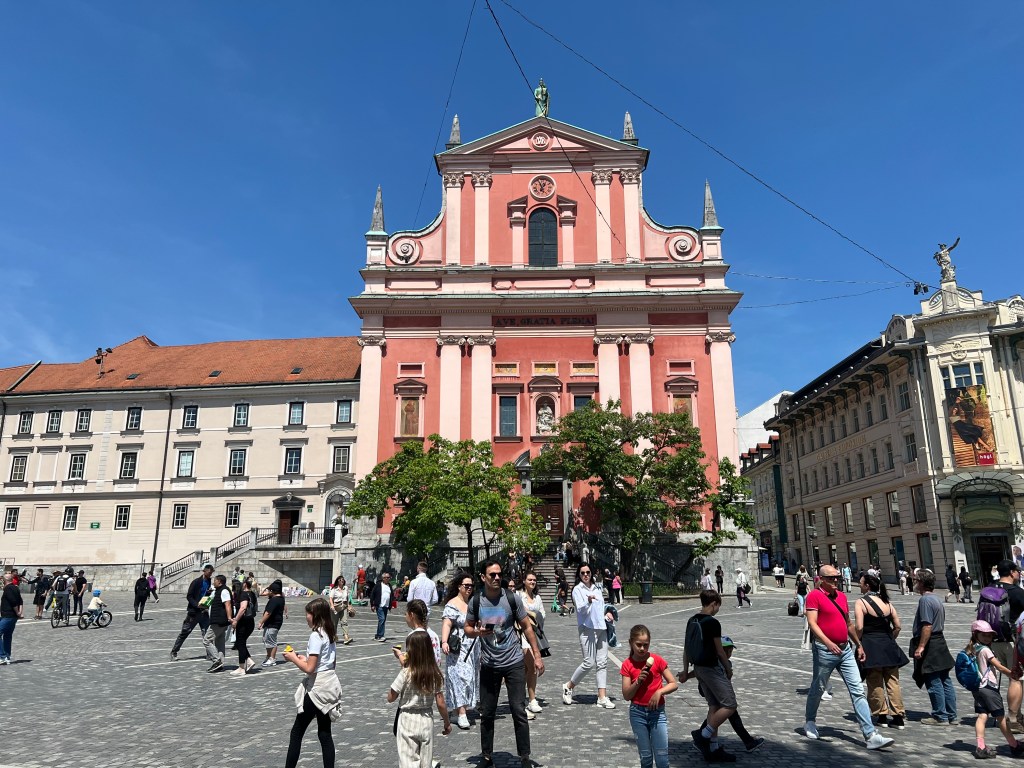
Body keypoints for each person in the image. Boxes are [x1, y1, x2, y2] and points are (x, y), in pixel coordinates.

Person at [803, 565, 894, 750]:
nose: (836, 580)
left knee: (857, 690)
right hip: (825, 650)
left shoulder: (841, 597)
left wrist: (858, 645)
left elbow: (848, 623)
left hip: (845, 650)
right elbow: (812, 623)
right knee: (818, 688)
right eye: (831, 578)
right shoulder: (814, 596)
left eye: (837, 577)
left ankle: (870, 735)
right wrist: (828, 642)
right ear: (821, 579)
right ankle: (810, 721)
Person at [465, 557, 544, 768]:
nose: (497, 577)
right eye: (492, 574)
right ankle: (486, 756)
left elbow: (527, 627)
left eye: (499, 574)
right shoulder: (476, 601)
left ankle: (525, 757)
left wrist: (537, 655)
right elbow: (467, 628)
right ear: (483, 577)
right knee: (487, 713)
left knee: (518, 710)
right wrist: (477, 632)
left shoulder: (511, 599)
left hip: (513, 662)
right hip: (489, 664)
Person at [681, 589, 741, 761]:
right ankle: (703, 735)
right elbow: (720, 651)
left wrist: (685, 671)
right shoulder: (713, 623)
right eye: (718, 606)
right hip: (711, 669)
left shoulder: (692, 620)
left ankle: (713, 749)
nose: (717, 610)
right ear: (714, 604)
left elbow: (686, 649)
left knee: (714, 706)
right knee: (729, 704)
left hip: (699, 668)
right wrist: (728, 669)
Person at [283, 598, 342, 768]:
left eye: (308, 614)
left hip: (317, 688)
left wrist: (293, 658)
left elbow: (310, 669)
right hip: (329, 685)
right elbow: (329, 663)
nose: (306, 617)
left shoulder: (316, 635)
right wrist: (305, 658)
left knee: (297, 732)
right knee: (324, 734)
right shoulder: (329, 633)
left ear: (315, 615)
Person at [388, 630, 452, 768]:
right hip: (426, 719)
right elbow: (441, 703)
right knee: (426, 761)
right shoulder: (434, 674)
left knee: (408, 761)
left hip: (407, 719)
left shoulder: (406, 673)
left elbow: (391, 697)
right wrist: (447, 722)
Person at [854, 570, 908, 729]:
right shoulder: (887, 602)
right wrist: (891, 638)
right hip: (888, 646)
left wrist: (858, 643)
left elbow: (859, 627)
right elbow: (897, 626)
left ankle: (882, 715)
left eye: (861, 583)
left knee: (874, 681)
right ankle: (898, 717)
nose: (859, 585)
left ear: (867, 586)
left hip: (871, 646)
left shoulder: (861, 602)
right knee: (893, 682)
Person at [620, 623, 678, 768]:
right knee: (645, 757)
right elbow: (626, 695)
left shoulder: (657, 660)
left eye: (646, 645)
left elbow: (673, 683)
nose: (642, 648)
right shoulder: (627, 664)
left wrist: (660, 691)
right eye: (638, 644)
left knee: (662, 758)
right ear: (631, 643)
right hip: (637, 713)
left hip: (657, 713)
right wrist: (638, 681)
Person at [965, 619, 1024, 759]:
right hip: (989, 688)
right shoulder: (985, 650)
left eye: (989, 635)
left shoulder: (972, 649)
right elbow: (999, 666)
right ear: (975, 635)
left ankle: (980, 746)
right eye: (984, 635)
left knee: (982, 716)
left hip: (978, 687)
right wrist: (1012, 674)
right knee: (1001, 718)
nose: (987, 638)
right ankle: (1014, 745)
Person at [563, 562, 616, 708]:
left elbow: (601, 606)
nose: (585, 575)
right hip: (587, 629)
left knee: (602, 662)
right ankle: (569, 686)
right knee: (589, 662)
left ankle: (602, 697)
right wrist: (588, 601)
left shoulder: (597, 588)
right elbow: (580, 610)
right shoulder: (577, 589)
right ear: (579, 575)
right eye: (582, 573)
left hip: (601, 627)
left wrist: (607, 614)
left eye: (588, 572)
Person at [911, 568, 957, 726]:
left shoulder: (925, 600)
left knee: (933, 679)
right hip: (940, 640)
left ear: (921, 583)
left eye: (916, 580)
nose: (915, 583)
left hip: (931, 642)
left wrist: (921, 646)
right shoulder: (936, 599)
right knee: (945, 678)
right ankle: (951, 715)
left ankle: (940, 715)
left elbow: (927, 625)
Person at [983, 559, 1024, 731]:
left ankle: (1013, 715)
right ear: (1012, 572)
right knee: (1016, 678)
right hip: (1012, 641)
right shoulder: (1017, 592)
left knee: (999, 678)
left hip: (991, 639)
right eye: (1017, 571)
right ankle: (1013, 719)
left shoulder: (989, 589)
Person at [440, 571, 480, 731]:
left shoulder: (472, 603)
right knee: (461, 678)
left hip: (473, 646)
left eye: (471, 586)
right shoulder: (453, 604)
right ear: (459, 586)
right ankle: (462, 714)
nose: (469, 588)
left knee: (470, 678)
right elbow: (447, 623)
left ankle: (458, 711)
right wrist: (444, 641)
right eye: (466, 585)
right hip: (458, 647)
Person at [170, 563, 214, 661]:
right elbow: (189, 596)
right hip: (194, 612)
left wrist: (208, 594)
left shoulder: (209, 581)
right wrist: (196, 604)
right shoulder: (196, 582)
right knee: (185, 632)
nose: (210, 574)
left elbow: (204, 594)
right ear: (204, 571)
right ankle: (174, 651)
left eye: (211, 573)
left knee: (207, 634)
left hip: (204, 611)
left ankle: (210, 654)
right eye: (209, 572)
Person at [518, 571, 546, 719]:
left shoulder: (537, 598)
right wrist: (529, 614)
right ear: (524, 581)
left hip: (534, 634)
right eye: (530, 579)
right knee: (531, 665)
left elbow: (542, 615)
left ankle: (526, 698)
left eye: (534, 580)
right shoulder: (518, 596)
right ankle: (531, 699)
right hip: (521, 635)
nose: (532, 582)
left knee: (528, 669)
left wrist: (532, 615)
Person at [205, 574, 234, 673]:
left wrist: (229, 617)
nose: (213, 582)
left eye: (215, 580)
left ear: (219, 582)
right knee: (219, 642)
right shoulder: (217, 590)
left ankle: (216, 660)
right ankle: (220, 663)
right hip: (219, 620)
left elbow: (228, 604)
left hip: (219, 620)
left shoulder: (224, 591)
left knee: (207, 640)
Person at [230, 578, 258, 675]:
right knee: (240, 643)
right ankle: (249, 661)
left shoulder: (243, 595)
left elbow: (243, 608)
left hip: (244, 622)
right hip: (248, 621)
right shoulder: (247, 594)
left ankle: (242, 667)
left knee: (240, 643)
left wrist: (236, 620)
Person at [400, 599, 441, 665]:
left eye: (406, 614)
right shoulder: (434, 635)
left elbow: (409, 664)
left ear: (411, 615)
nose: (405, 617)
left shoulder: (413, 636)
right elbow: (438, 659)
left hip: (420, 671)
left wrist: (399, 655)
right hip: (434, 670)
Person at [258, 579, 287, 667]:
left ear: (272, 591)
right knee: (267, 639)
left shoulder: (274, 600)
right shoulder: (280, 598)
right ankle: (268, 656)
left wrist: (261, 622)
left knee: (271, 641)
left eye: (269, 591)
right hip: (272, 622)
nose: (268, 592)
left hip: (273, 623)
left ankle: (272, 658)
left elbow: (268, 613)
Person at [0, 571, 24, 664]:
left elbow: (13, 602)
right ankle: (7, 656)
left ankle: (2, 657)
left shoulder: (8, 589)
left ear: (4, 580)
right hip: (13, 617)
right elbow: (20, 601)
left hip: (8, 615)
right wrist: (20, 612)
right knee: (7, 636)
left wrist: (18, 612)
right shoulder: (15, 587)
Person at [328, 575, 353, 645]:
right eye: (340, 580)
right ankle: (334, 636)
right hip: (335, 608)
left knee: (344, 622)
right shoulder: (334, 589)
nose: (342, 580)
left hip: (343, 607)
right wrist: (332, 606)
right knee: (334, 623)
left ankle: (346, 637)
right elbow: (330, 598)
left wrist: (348, 606)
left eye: (342, 579)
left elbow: (347, 597)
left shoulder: (346, 588)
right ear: (337, 581)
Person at [371, 572, 394, 642]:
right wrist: (372, 605)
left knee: (382, 620)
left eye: (388, 577)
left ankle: (378, 635)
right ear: (383, 578)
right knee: (382, 619)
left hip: (386, 606)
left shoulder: (389, 586)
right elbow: (372, 594)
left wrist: (391, 605)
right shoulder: (378, 585)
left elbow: (391, 595)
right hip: (379, 605)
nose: (387, 579)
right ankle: (381, 635)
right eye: (385, 577)